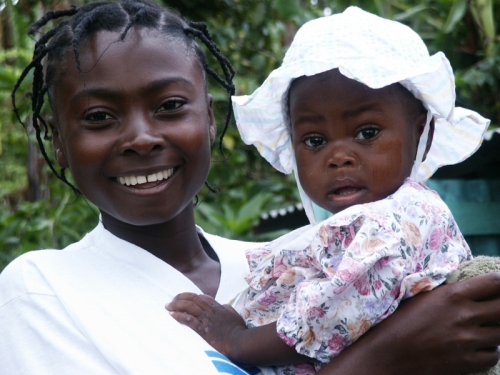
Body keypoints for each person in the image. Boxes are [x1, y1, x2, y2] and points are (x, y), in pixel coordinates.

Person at [0, 2, 499, 375]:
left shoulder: (299, 263)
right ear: (57, 140)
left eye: (170, 105)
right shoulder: (44, 291)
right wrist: (386, 356)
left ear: (210, 121)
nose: (141, 138)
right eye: (99, 116)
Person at [166, 7, 494, 375]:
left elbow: (335, 317)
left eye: (367, 133)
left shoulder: (398, 220)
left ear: (421, 132)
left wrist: (237, 339)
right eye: (314, 140)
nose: (338, 157)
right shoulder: (364, 223)